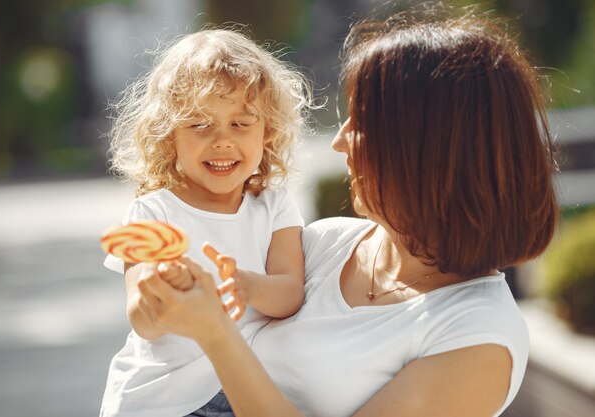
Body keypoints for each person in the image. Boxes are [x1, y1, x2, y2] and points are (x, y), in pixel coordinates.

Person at [134, 9, 559, 417]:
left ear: (426, 151)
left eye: (361, 122)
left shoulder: (477, 336)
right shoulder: (325, 245)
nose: (339, 142)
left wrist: (215, 334)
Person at [99, 28, 315, 417]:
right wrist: (161, 294)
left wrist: (247, 285)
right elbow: (143, 322)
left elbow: (290, 295)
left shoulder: (275, 206)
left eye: (241, 123)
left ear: (268, 132)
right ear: (168, 136)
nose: (221, 140)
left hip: (244, 389)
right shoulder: (153, 212)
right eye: (199, 124)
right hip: (164, 401)